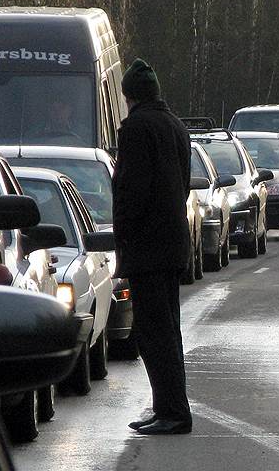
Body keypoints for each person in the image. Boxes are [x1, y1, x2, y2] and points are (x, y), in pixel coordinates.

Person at [112, 59, 193, 435]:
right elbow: (184, 185)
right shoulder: (176, 127)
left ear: (130, 96)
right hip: (173, 244)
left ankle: (173, 412)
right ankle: (168, 408)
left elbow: (132, 191)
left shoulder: (136, 130)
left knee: (153, 334)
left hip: (148, 248)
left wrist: (123, 235)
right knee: (167, 330)